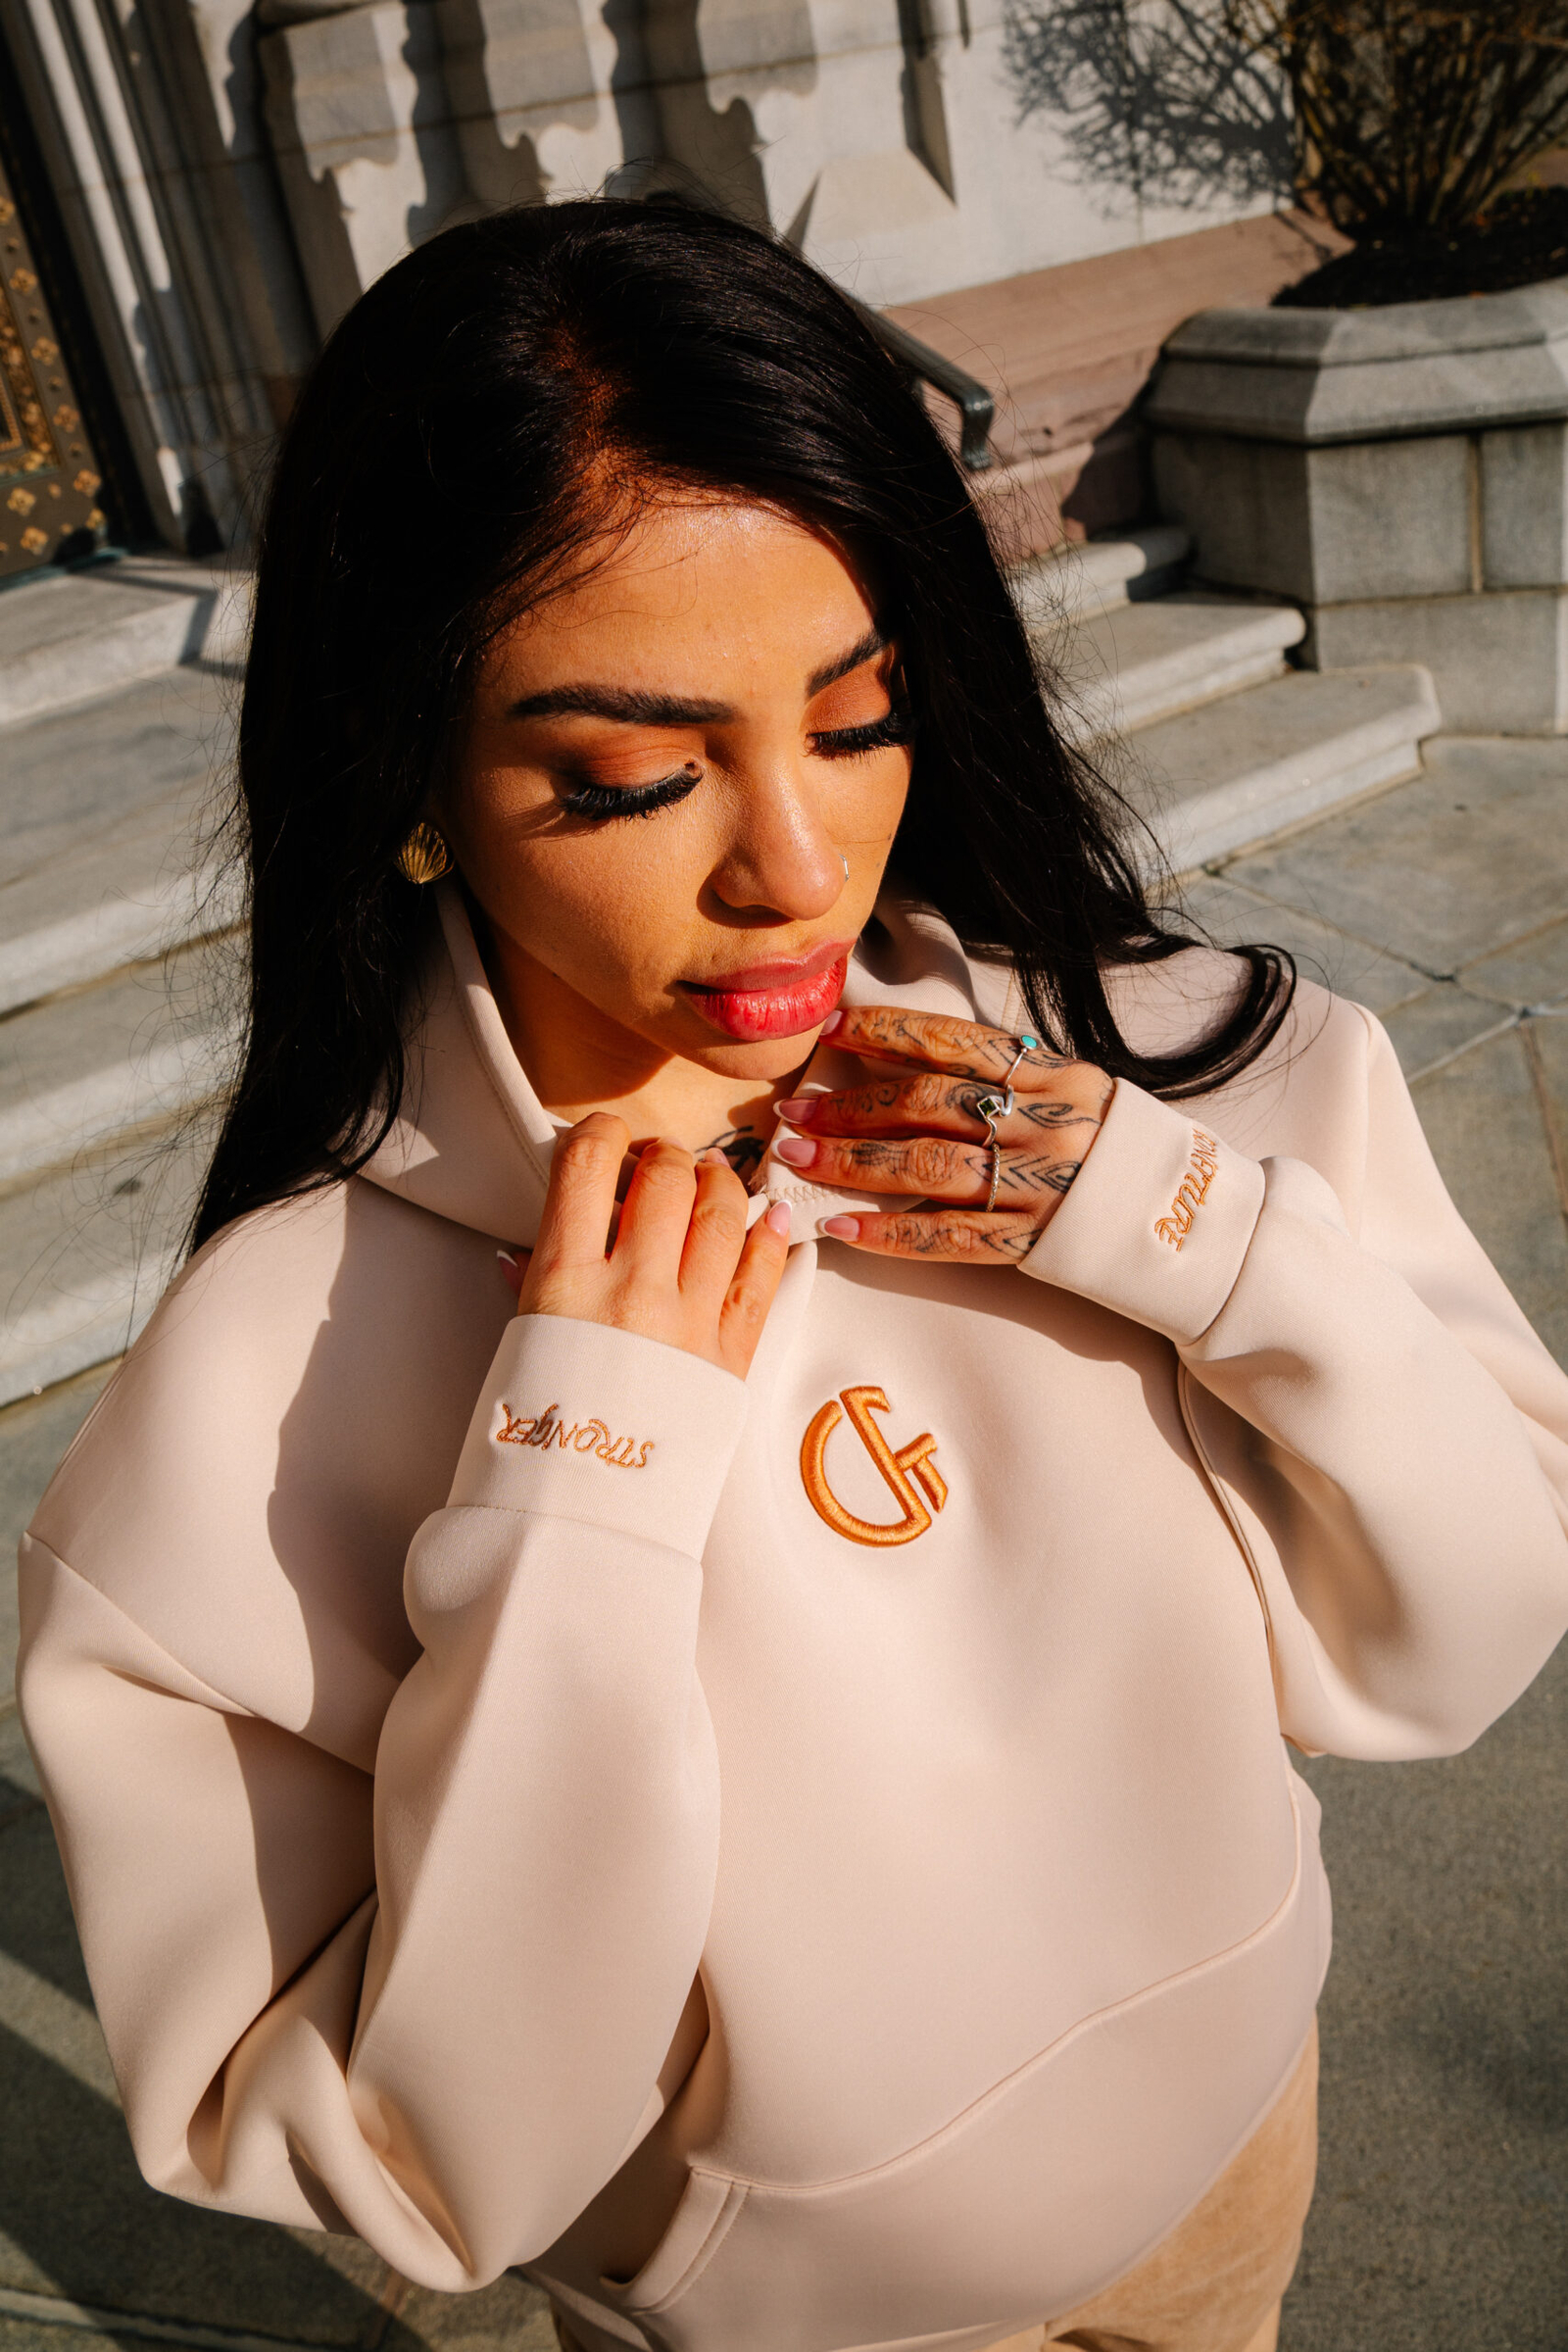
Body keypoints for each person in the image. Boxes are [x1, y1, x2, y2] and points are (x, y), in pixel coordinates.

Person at [16, 201, 1568, 2352]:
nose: (797, 866)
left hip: (1233, 2163)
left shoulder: (1153, 1071)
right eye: (635, 775)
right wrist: (576, 1493)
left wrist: (1189, 1240)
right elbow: (409, 2162)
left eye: (855, 717)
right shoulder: (262, 1390)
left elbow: (1469, 1631)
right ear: (413, 781)